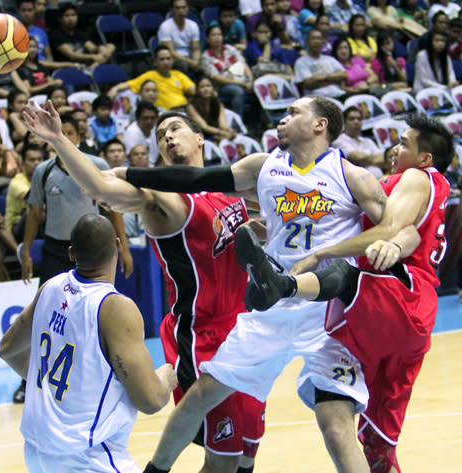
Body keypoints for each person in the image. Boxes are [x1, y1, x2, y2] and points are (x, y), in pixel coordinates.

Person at [59, 96, 412, 473]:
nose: (283, 116)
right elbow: (195, 178)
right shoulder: (264, 167)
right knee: (205, 403)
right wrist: (124, 171)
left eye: (294, 112)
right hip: (264, 309)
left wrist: (390, 249)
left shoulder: (353, 176)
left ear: (319, 125)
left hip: (327, 314)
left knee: (333, 426)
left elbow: (400, 229)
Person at [22, 101, 267, 473]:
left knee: (247, 454)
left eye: (174, 128)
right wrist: (58, 140)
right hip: (202, 336)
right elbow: (99, 184)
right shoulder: (160, 200)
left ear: (200, 137)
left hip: (246, 330)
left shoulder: (230, 189)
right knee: (224, 460)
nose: (167, 136)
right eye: (160, 135)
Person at [238, 113, 453, 473]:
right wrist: (276, 225)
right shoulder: (411, 185)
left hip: (400, 294)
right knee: (377, 447)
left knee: (342, 275)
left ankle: (283, 286)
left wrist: (323, 252)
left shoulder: (416, 176)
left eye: (404, 143)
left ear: (425, 158)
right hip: (406, 319)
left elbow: (397, 230)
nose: (395, 148)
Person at [0, 213, 178, 473]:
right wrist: (165, 379)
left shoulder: (50, 288)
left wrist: (50, 387)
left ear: (71, 253)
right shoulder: (116, 308)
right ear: (118, 245)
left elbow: (7, 349)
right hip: (88, 456)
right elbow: (150, 400)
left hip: (37, 452)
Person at [12, 114, 133, 405]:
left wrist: (124, 247)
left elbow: (113, 208)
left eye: (68, 132)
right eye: (59, 132)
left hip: (94, 248)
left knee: (101, 311)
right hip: (56, 248)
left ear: (77, 138)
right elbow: (33, 213)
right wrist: (27, 250)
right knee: (44, 312)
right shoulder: (43, 171)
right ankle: (27, 378)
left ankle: (114, 371)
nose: (63, 136)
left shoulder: (98, 166)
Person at [108, 45, 196, 112]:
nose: (166, 62)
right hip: (166, 112)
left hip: (185, 109)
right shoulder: (149, 76)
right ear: (155, 62)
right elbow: (127, 85)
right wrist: (114, 89)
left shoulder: (178, 75)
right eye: (162, 59)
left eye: (168, 59)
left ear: (172, 60)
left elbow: (193, 90)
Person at [201, 25, 254, 117]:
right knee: (237, 91)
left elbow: (244, 65)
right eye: (214, 35)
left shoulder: (230, 49)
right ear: (207, 39)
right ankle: (238, 121)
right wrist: (242, 84)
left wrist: (250, 80)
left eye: (219, 34)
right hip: (221, 86)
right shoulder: (206, 57)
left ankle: (261, 121)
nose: (217, 37)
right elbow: (217, 78)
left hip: (241, 80)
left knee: (256, 86)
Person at [48, 3, 115, 67]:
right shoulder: (56, 35)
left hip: (85, 63)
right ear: (60, 19)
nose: (71, 19)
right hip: (69, 66)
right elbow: (71, 55)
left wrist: (100, 48)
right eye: (67, 16)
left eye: (73, 15)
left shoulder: (78, 32)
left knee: (111, 46)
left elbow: (91, 48)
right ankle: (94, 67)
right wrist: (93, 57)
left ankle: (93, 67)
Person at [5, 144, 44, 242]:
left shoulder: (45, 179)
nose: (36, 163)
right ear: (22, 163)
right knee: (34, 210)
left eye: (39, 159)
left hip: (38, 221)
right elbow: (34, 201)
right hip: (16, 227)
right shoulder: (16, 182)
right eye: (32, 160)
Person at [332, 106, 385, 178]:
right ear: (344, 122)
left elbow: (383, 159)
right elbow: (358, 158)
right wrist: (376, 160)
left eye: (359, 119)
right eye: (352, 119)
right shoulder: (339, 140)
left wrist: (366, 160)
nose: (356, 122)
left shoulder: (368, 141)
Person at [294, 29, 347, 98]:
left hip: (339, 95)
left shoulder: (330, 59)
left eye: (319, 39)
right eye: (313, 38)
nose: (316, 41)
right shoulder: (301, 62)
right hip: (318, 99)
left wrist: (321, 77)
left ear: (323, 42)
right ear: (307, 42)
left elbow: (344, 75)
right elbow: (309, 84)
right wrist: (334, 80)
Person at [186, 75, 236, 142]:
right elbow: (204, 127)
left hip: (215, 132)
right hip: (200, 137)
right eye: (202, 87)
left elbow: (222, 124)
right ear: (197, 90)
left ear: (213, 88)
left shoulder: (218, 103)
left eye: (208, 86)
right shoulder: (191, 106)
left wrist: (229, 130)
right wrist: (221, 133)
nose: (206, 89)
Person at [158, 0, 201, 75]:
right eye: (177, 8)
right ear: (172, 10)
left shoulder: (193, 25)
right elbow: (170, 52)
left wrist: (196, 61)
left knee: (205, 62)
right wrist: (191, 62)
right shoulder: (165, 26)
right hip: (174, 58)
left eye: (183, 7)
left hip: (189, 56)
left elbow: (196, 49)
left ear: (187, 8)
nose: (181, 10)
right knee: (182, 65)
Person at [121, 101, 159, 167]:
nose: (149, 121)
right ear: (137, 118)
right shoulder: (132, 133)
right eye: (145, 118)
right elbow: (135, 161)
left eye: (152, 118)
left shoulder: (156, 129)